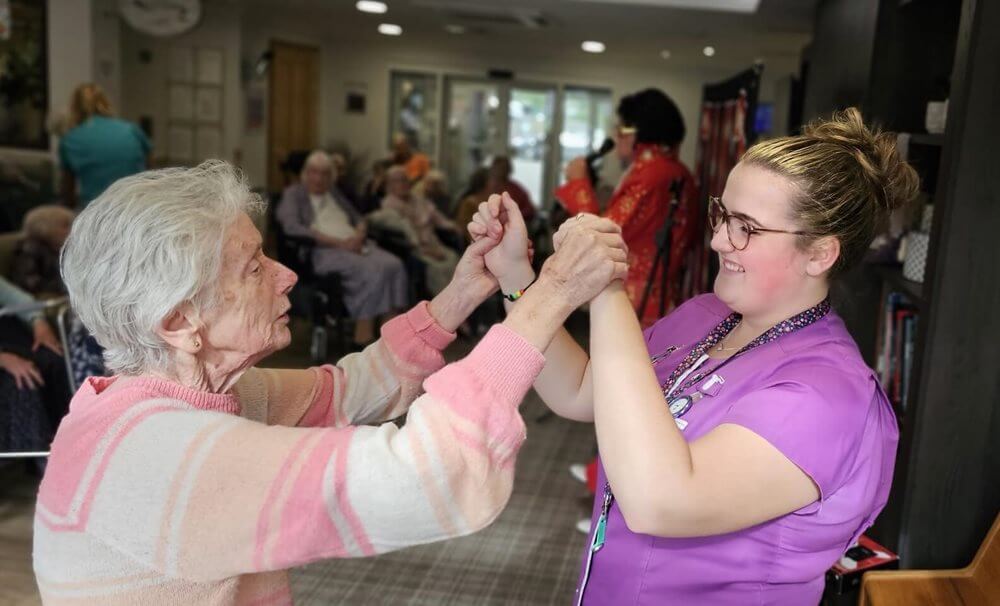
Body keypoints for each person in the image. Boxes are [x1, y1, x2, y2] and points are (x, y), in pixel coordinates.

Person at [34, 159, 629, 605]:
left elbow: (347, 390)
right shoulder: (158, 455)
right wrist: (549, 296)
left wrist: (466, 289)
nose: (287, 275)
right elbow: (429, 474)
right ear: (178, 321)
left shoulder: (197, 399)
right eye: (254, 267)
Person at [470, 108, 914, 604]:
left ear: (819, 254)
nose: (717, 239)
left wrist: (606, 288)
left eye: (746, 227)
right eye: (722, 214)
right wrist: (515, 276)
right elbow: (580, 391)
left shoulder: (827, 396)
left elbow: (660, 502)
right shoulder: (706, 315)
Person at [557, 88, 698, 328]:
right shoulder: (673, 170)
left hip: (637, 297)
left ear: (642, 133)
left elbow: (603, 233)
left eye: (623, 128)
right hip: (657, 291)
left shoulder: (652, 174)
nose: (616, 135)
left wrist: (579, 184)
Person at [277, 150, 408, 348]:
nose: (319, 178)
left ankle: (388, 336)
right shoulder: (294, 194)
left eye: (324, 173)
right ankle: (361, 337)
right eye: (314, 172)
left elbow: (358, 218)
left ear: (331, 176)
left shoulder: (334, 194)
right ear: (305, 173)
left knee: (394, 265)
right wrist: (338, 243)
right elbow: (291, 226)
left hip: (354, 245)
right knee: (373, 270)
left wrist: (359, 234)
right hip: (324, 251)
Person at [0, 276, 69, 457]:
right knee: (23, 381)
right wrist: (4, 359)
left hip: (13, 341)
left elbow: (22, 300)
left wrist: (40, 323)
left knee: (54, 358)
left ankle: (74, 438)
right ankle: (44, 460)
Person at [370, 166, 461, 296]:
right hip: (416, 249)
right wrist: (427, 251)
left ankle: (463, 304)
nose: (403, 184)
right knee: (438, 269)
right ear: (389, 185)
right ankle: (446, 305)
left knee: (454, 261)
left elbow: (438, 219)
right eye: (398, 181)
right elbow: (406, 236)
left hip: (434, 243)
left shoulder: (418, 199)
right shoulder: (388, 205)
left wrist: (454, 227)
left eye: (405, 180)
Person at [58, 83, 150, 209]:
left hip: (96, 209)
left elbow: (67, 193)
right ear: (105, 102)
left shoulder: (70, 139)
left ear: (74, 107)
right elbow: (149, 173)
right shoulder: (131, 130)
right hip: (134, 206)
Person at [9, 205, 74, 297]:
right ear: (46, 228)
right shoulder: (29, 248)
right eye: (65, 225)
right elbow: (29, 283)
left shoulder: (60, 246)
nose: (71, 230)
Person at [489, 156, 536, 223]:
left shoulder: (516, 189)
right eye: (498, 168)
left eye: (503, 168)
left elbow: (530, 210)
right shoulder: (487, 187)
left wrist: (513, 216)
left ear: (508, 170)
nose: (500, 171)